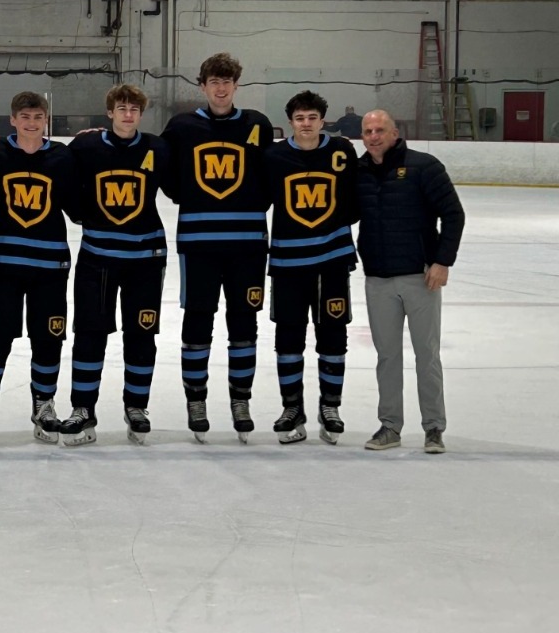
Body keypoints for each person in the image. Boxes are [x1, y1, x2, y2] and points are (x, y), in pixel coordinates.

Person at [160, 53, 274, 443]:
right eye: (214, 82)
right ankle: (197, 401)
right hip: (199, 243)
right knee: (198, 323)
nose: (221, 88)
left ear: (236, 85)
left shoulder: (257, 124)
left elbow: (271, 174)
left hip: (248, 245)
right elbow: (166, 176)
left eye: (227, 82)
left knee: (244, 324)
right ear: (203, 85)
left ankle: (240, 401)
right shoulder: (181, 127)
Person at [60, 84, 170, 446]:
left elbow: (182, 187)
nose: (127, 114)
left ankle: (137, 406)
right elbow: (63, 184)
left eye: (134, 110)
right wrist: (81, 215)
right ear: (109, 112)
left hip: (146, 258)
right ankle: (82, 409)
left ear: (141, 114)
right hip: (98, 257)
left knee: (141, 333)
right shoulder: (85, 146)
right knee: (90, 334)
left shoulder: (157, 147)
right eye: (121, 108)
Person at [356, 109, 464, 454]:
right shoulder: (358, 171)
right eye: (368, 130)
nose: (373, 136)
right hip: (378, 279)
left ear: (394, 132)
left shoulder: (424, 166)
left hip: (420, 277)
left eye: (380, 130)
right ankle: (390, 426)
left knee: (426, 355)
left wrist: (442, 261)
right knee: (387, 357)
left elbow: (453, 214)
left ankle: (434, 427)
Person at [0, 91, 77, 444]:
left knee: (48, 336)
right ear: (12, 120)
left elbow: (75, 204)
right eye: (25, 117)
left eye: (38, 117)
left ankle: (44, 403)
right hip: (5, 263)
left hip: (51, 264)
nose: (32, 123)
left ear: (45, 120)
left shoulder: (63, 156)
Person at [264, 91, 359, 445]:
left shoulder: (341, 151)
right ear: (290, 121)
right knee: (288, 339)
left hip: (332, 261)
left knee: (333, 335)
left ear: (323, 120)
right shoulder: (273, 155)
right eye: (300, 118)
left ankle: (330, 407)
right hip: (288, 263)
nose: (306, 124)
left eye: (313, 117)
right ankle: (293, 408)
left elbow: (353, 198)